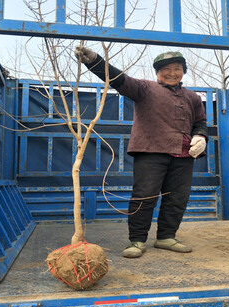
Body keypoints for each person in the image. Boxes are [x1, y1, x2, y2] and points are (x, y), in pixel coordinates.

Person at [75, 46, 208, 258]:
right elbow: (118, 79)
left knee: (178, 198)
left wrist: (201, 136)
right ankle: (136, 240)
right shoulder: (144, 88)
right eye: (166, 69)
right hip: (150, 151)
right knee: (144, 197)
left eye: (177, 68)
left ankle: (166, 237)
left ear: (183, 71)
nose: (172, 73)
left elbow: (200, 122)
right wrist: (94, 61)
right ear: (157, 72)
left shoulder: (192, 97)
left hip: (184, 154)